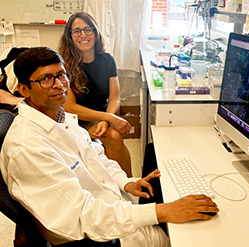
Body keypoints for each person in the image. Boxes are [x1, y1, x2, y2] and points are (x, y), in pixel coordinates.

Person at [0, 47, 219, 246]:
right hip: (97, 232)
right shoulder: (28, 147)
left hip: (110, 202)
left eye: (61, 75)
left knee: (176, 193)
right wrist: (163, 212)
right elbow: (83, 216)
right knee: (191, 236)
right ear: (24, 89)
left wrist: (126, 184)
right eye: (46, 79)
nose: (59, 85)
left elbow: (96, 156)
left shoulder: (59, 116)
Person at [58, 12, 132, 177]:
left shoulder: (107, 60)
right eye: (76, 31)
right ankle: (128, 186)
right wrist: (109, 119)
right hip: (76, 120)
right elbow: (69, 107)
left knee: (113, 135)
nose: (83, 35)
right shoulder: (64, 65)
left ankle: (130, 187)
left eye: (87, 29)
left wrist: (107, 119)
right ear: (70, 36)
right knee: (113, 136)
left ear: (95, 33)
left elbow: (114, 98)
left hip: (103, 116)